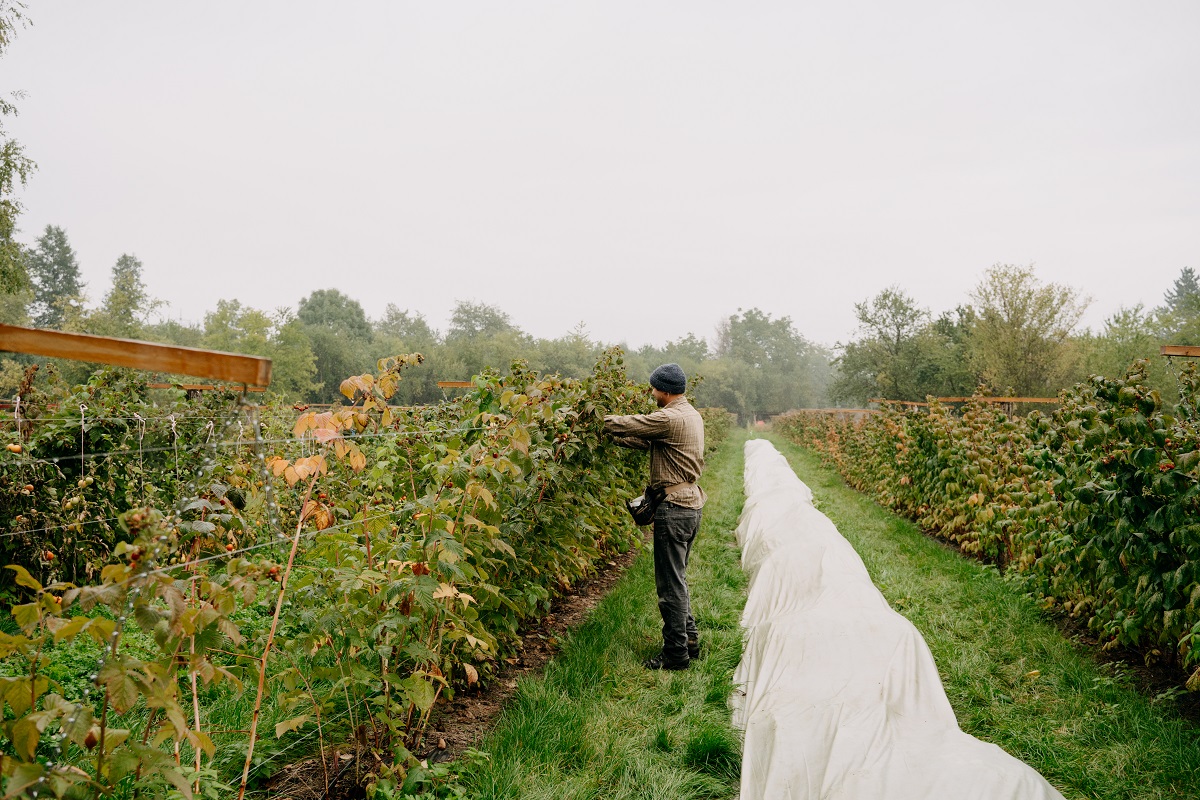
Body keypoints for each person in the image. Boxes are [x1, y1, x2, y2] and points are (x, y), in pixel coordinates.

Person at [604, 363, 706, 670]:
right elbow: (645, 440)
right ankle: (689, 641)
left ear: (664, 390)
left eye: (653, 388)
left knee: (669, 587)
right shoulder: (690, 415)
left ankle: (675, 655)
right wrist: (615, 438)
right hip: (690, 507)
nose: (651, 393)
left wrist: (600, 421)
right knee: (678, 579)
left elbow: (632, 425)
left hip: (674, 511)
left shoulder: (670, 417)